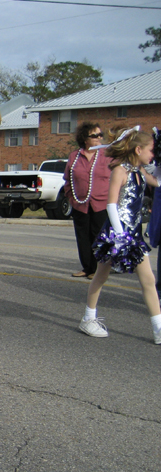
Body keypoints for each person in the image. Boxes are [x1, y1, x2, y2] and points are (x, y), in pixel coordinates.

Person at [79, 127, 161, 344]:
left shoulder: (140, 172)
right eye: (151, 150)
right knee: (101, 276)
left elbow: (159, 182)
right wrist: (120, 236)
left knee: (149, 280)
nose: (152, 154)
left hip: (133, 235)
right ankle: (88, 319)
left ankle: (158, 328)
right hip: (116, 234)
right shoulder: (120, 171)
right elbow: (112, 205)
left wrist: (159, 163)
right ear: (138, 149)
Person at [64, 122, 111, 279]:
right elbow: (68, 179)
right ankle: (87, 267)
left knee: (99, 236)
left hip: (101, 204)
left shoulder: (107, 155)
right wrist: (71, 197)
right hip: (80, 204)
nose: (99, 138)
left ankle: (98, 270)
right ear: (85, 138)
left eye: (100, 135)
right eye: (94, 135)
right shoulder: (74, 156)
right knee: (83, 237)